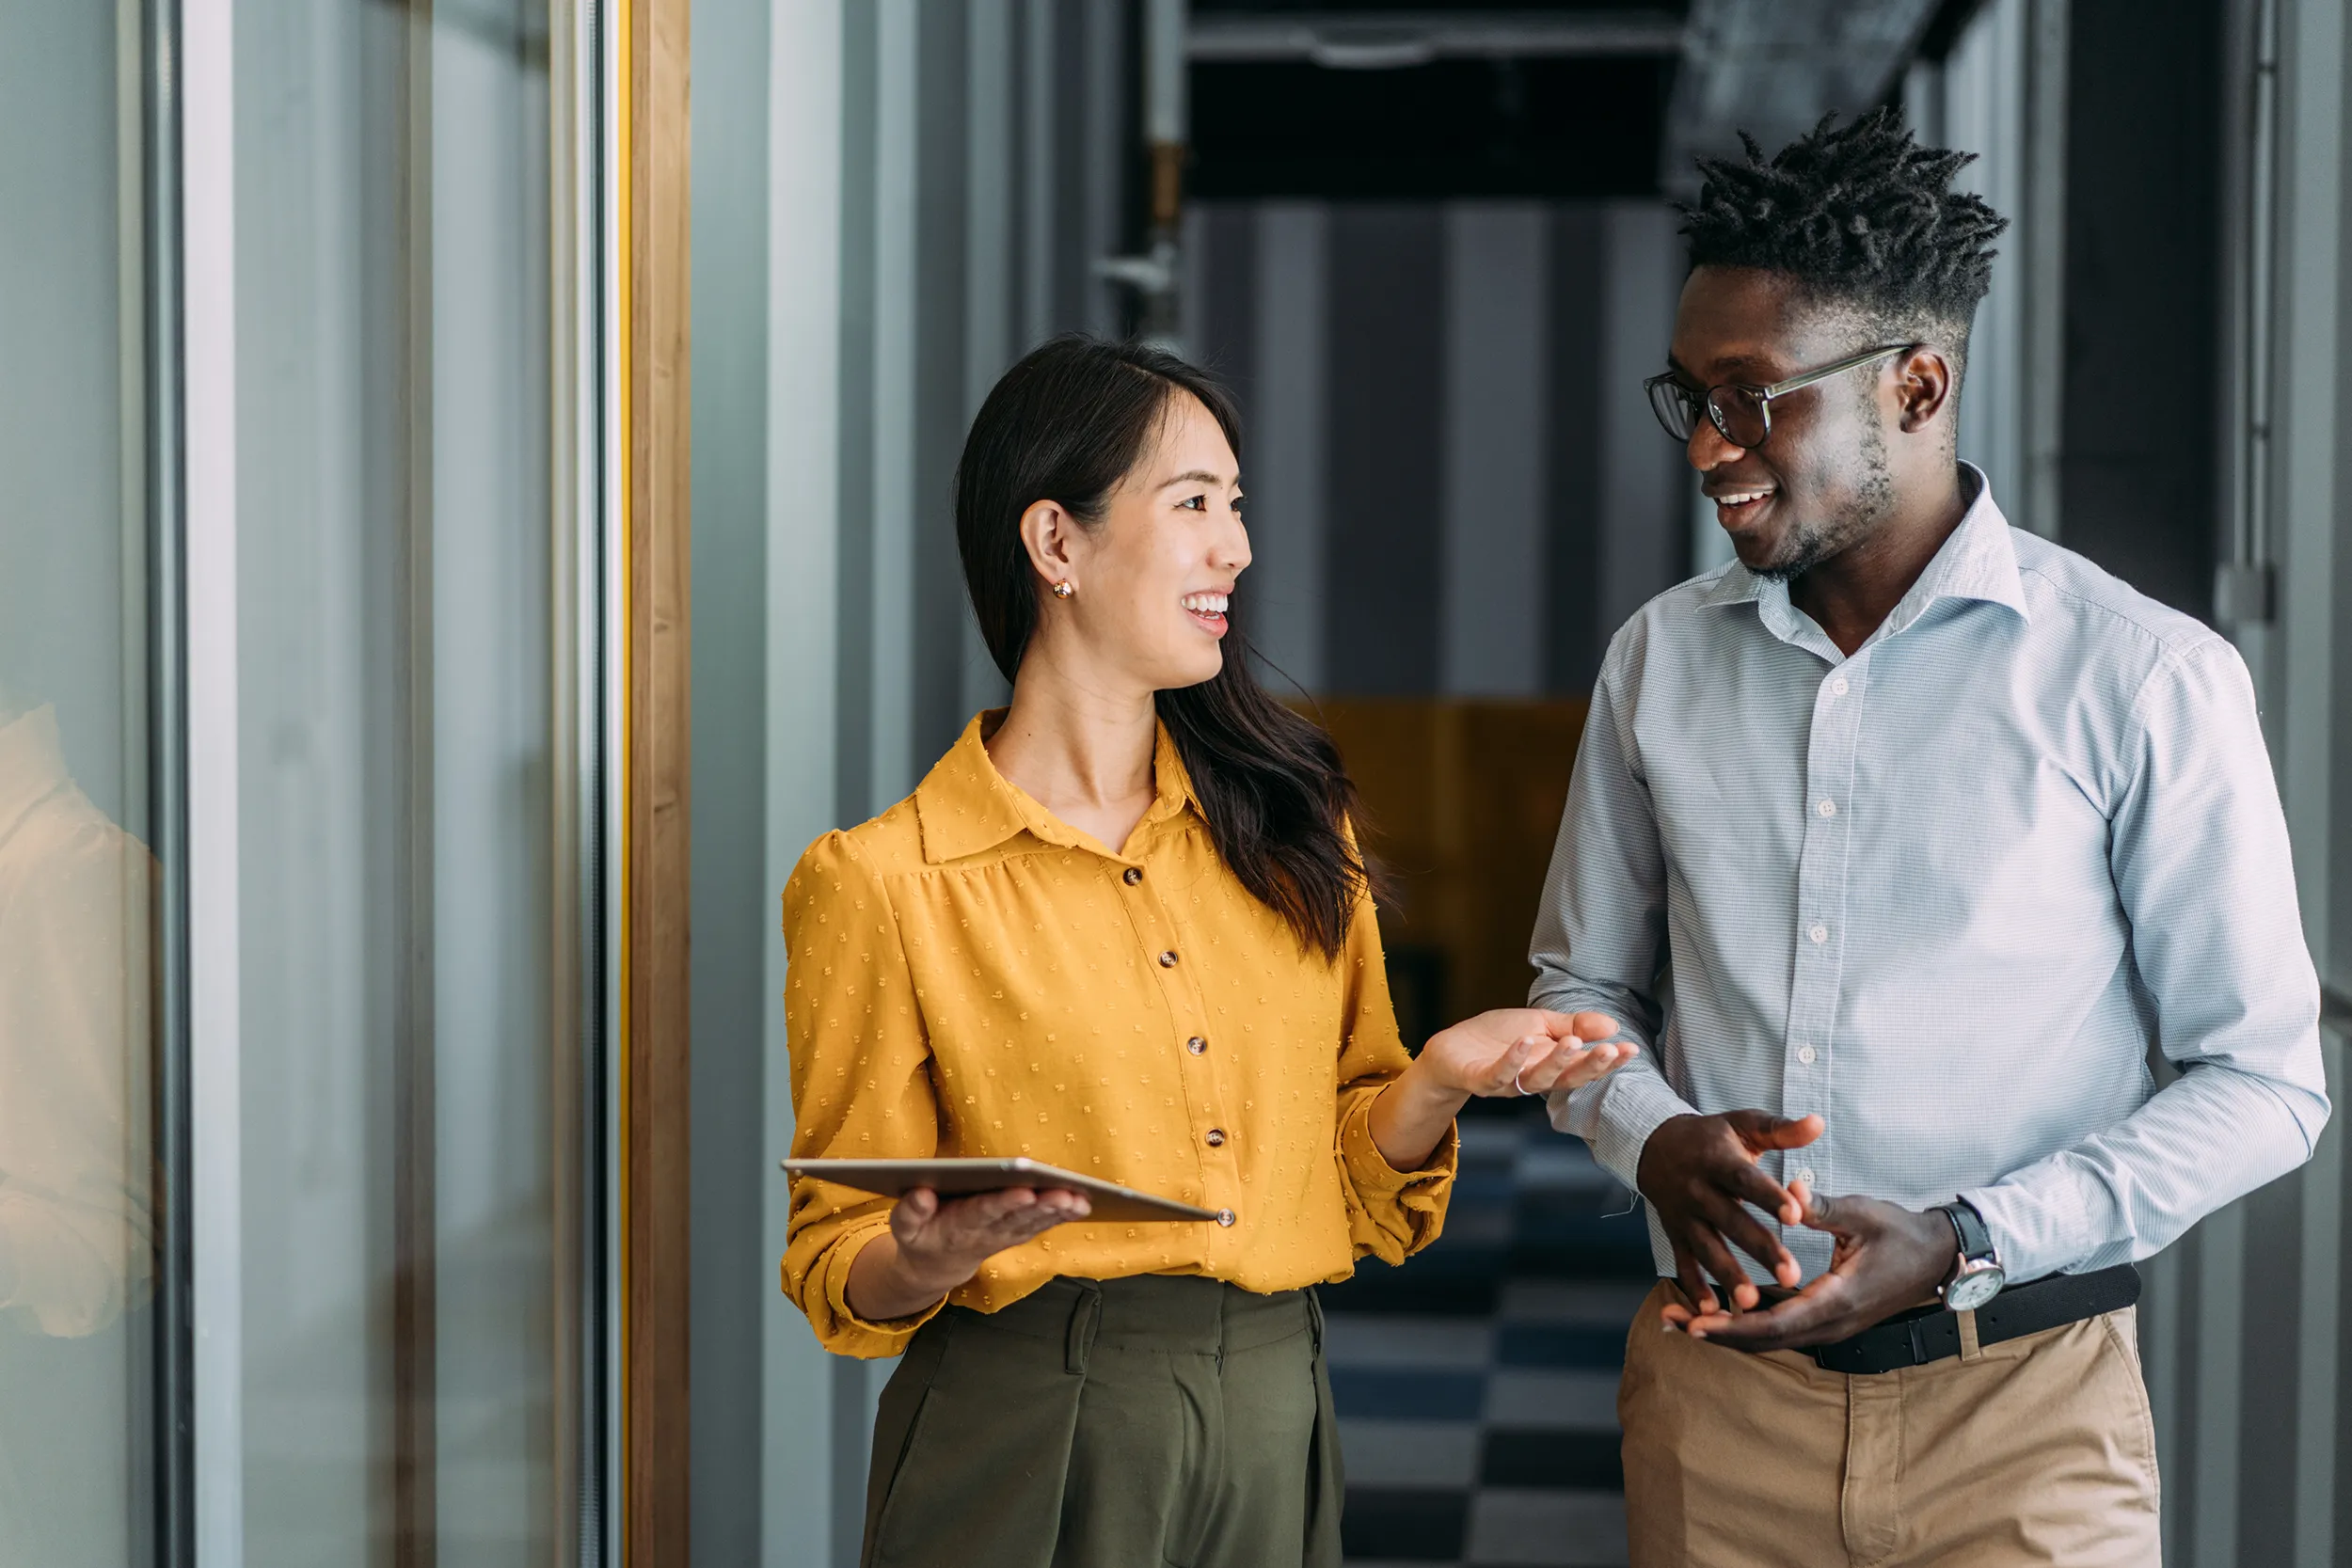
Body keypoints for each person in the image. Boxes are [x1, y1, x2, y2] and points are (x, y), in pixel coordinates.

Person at [1532, 109, 2329, 1567]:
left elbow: (2265, 1082)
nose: (1710, 445)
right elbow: (1578, 997)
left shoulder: (2141, 677)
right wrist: (1651, 1140)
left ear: (1916, 384)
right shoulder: (1660, 661)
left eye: (1753, 395)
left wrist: (1968, 1234)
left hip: (2027, 1418)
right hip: (1722, 1407)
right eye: (1689, 396)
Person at [781, 334, 1633, 1568]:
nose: (1236, 546)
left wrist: (1437, 1076)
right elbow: (830, 1261)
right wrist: (918, 1255)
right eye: (1194, 504)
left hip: (1276, 1399)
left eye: (1235, 507)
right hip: (1028, 1418)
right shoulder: (880, 883)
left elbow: (1355, 1180)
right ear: (1055, 544)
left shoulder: (1292, 821)